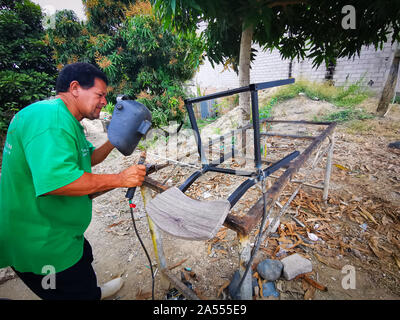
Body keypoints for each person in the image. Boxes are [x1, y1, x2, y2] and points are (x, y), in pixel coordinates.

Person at [0, 62, 147, 300]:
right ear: (75, 88)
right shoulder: (50, 120)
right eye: (100, 94)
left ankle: (93, 292)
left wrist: (115, 138)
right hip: (41, 241)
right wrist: (120, 179)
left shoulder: (64, 118)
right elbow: (57, 182)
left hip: (58, 228)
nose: (104, 102)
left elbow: (87, 158)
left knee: (83, 262)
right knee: (70, 291)